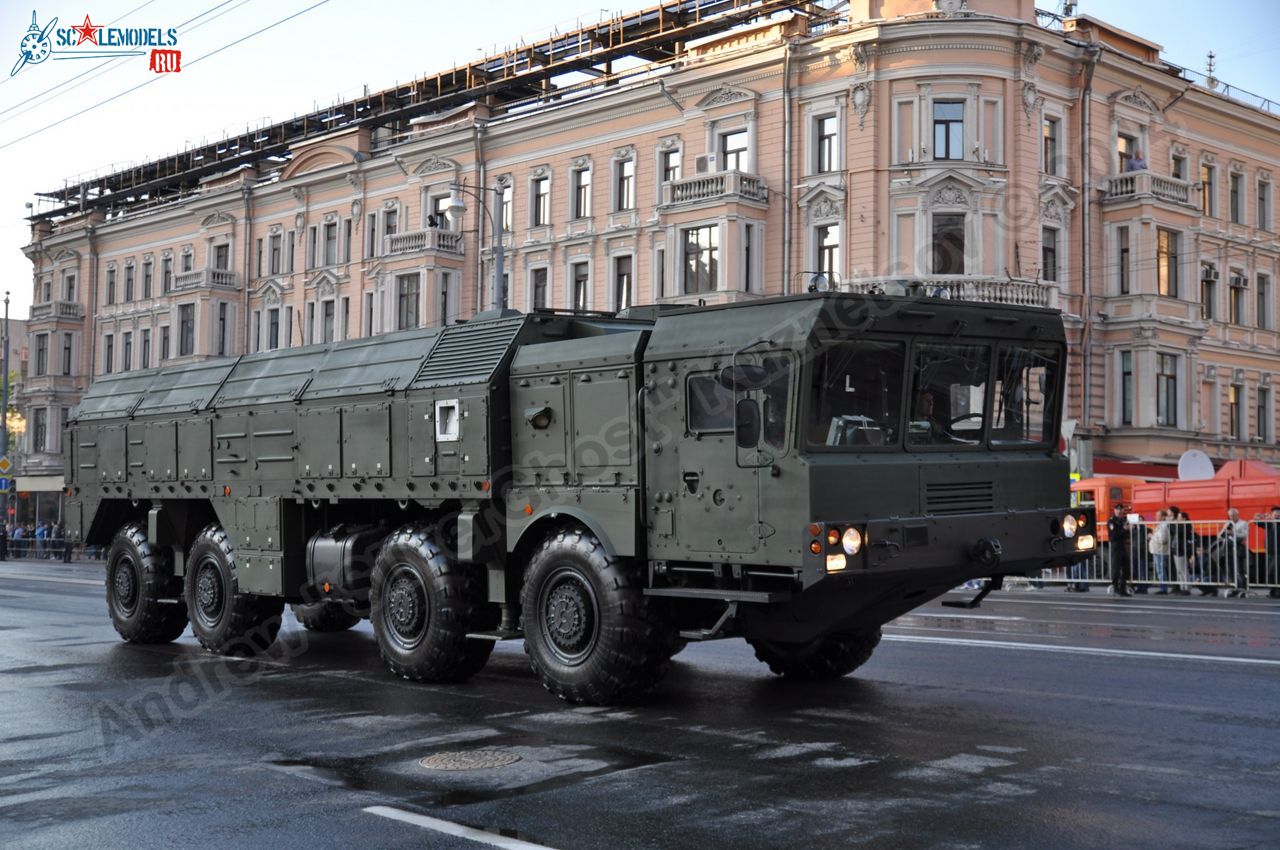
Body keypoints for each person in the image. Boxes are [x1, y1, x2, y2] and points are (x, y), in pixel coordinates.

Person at [1217, 508, 1249, 597]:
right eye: (1230, 515)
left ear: (1237, 515)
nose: (1231, 517)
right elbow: (1220, 534)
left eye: (1233, 515)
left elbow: (1245, 534)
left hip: (1238, 548)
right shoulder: (1228, 523)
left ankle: (1242, 589)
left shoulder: (1243, 523)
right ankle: (1235, 588)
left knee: (1239, 570)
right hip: (1229, 548)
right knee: (1231, 570)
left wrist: (1233, 532)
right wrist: (1223, 534)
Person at [1107, 503, 1132, 596]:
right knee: (1116, 568)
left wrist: (1126, 530)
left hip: (1123, 545)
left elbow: (1127, 534)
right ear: (1114, 510)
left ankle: (1122, 588)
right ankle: (1116, 588)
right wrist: (1124, 530)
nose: (1119, 511)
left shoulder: (1124, 520)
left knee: (1126, 568)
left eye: (1121, 510)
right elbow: (1113, 535)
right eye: (1117, 509)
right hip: (1116, 546)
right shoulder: (1111, 521)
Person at [1168, 505, 1191, 595]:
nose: (1177, 519)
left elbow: (1179, 532)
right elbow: (1173, 531)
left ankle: (1187, 587)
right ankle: (1182, 587)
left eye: (1179, 517)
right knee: (1179, 570)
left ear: (1184, 519)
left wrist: (1173, 523)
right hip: (1176, 548)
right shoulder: (1178, 525)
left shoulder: (1186, 526)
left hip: (1182, 548)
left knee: (1183, 569)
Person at [1149, 509, 1171, 594]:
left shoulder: (1163, 526)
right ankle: (1162, 587)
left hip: (1160, 551)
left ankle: (1163, 588)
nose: (1155, 517)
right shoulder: (1161, 525)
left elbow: (1163, 540)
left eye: (1158, 515)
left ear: (1163, 517)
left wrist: (1152, 536)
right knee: (1160, 569)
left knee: (1160, 570)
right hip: (1158, 550)